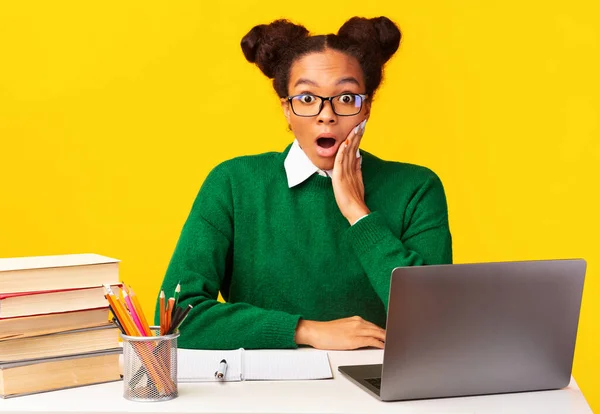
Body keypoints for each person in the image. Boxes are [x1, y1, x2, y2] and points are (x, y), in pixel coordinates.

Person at [156, 16, 452, 350]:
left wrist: (359, 214)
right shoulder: (233, 184)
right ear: (286, 109)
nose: (327, 115)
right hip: (265, 387)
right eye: (307, 99)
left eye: (346, 97)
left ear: (366, 107)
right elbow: (177, 317)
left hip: (378, 387)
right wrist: (306, 331)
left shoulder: (416, 188)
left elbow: (435, 319)